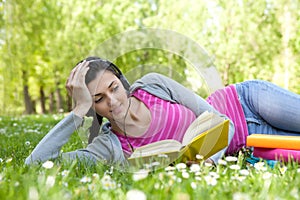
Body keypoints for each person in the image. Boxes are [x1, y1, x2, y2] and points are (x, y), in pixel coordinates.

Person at [25, 56, 300, 167]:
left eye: (113, 88)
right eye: (98, 99)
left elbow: (221, 121)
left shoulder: (152, 85)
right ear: (92, 107)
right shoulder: (109, 148)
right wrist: (77, 111)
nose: (112, 101)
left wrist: (209, 161)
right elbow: (35, 165)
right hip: (249, 143)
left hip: (245, 101)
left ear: (122, 82)